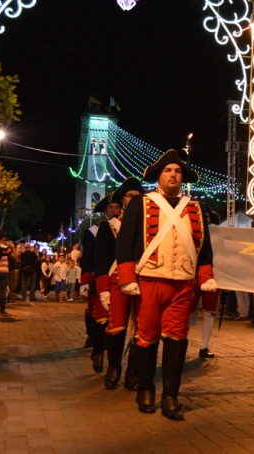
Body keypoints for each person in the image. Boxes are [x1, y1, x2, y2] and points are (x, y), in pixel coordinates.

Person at [116, 150, 216, 420]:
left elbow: (204, 247)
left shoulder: (196, 207)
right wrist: (127, 278)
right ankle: (145, 389)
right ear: (159, 176)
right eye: (168, 170)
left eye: (178, 171)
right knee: (146, 337)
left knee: (177, 339)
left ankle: (171, 396)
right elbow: (124, 242)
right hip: (149, 281)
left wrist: (205, 276)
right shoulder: (141, 204)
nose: (173, 175)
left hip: (183, 285)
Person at [102, 177, 144, 389]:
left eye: (138, 196)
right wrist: (103, 289)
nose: (134, 199)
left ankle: (133, 371)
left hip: (142, 278)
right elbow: (101, 260)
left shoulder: (149, 224)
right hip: (116, 279)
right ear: (122, 199)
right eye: (130, 196)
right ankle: (114, 367)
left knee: (140, 328)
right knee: (116, 326)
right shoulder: (109, 227)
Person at [88, 191, 121, 376]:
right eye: (111, 207)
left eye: (117, 207)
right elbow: (94, 258)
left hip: (122, 279)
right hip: (104, 278)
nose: (114, 210)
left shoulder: (127, 226)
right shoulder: (98, 229)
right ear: (105, 210)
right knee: (101, 320)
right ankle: (97, 351)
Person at [191, 204, 222, 359]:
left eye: (207, 216)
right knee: (187, 311)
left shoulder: (219, 235)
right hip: (193, 276)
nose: (205, 218)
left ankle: (204, 346)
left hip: (213, 277)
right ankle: (180, 342)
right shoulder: (189, 231)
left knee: (209, 312)